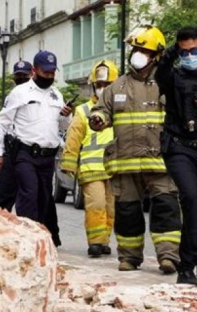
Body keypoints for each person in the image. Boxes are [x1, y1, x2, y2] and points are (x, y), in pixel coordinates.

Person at [89, 25, 181, 273]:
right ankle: (129, 257)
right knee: (127, 213)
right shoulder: (116, 87)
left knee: (166, 209)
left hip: (160, 161)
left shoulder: (168, 84)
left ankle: (169, 257)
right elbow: (100, 111)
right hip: (125, 162)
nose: (136, 54)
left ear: (156, 56)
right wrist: (98, 118)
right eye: (135, 49)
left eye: (142, 50)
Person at [0, 50, 73, 246]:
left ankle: (41, 236)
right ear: (34, 70)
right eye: (45, 73)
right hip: (25, 153)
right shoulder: (20, 93)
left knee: (44, 198)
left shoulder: (56, 95)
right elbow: (3, 122)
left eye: (52, 73)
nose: (49, 77)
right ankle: (27, 239)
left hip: (47, 157)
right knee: (29, 192)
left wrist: (66, 115)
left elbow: (62, 127)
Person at [61, 60, 119, 257]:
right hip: (91, 168)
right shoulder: (84, 110)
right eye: (100, 85)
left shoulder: (120, 110)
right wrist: (69, 163)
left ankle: (104, 241)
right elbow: (74, 137)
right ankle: (94, 242)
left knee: (110, 209)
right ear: (94, 85)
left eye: (107, 85)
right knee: (97, 205)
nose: (103, 89)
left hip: (114, 169)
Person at [155, 26, 197, 284]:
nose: (191, 55)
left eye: (195, 50)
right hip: (179, 147)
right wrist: (173, 52)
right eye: (186, 52)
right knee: (192, 198)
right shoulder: (173, 77)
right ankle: (186, 267)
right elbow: (160, 74)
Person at [0, 60, 33, 212]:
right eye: (18, 75)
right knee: (4, 199)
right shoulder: (12, 96)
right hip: (12, 150)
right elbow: (3, 125)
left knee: (30, 199)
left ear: (32, 74)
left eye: (25, 75)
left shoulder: (44, 94)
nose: (21, 78)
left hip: (31, 152)